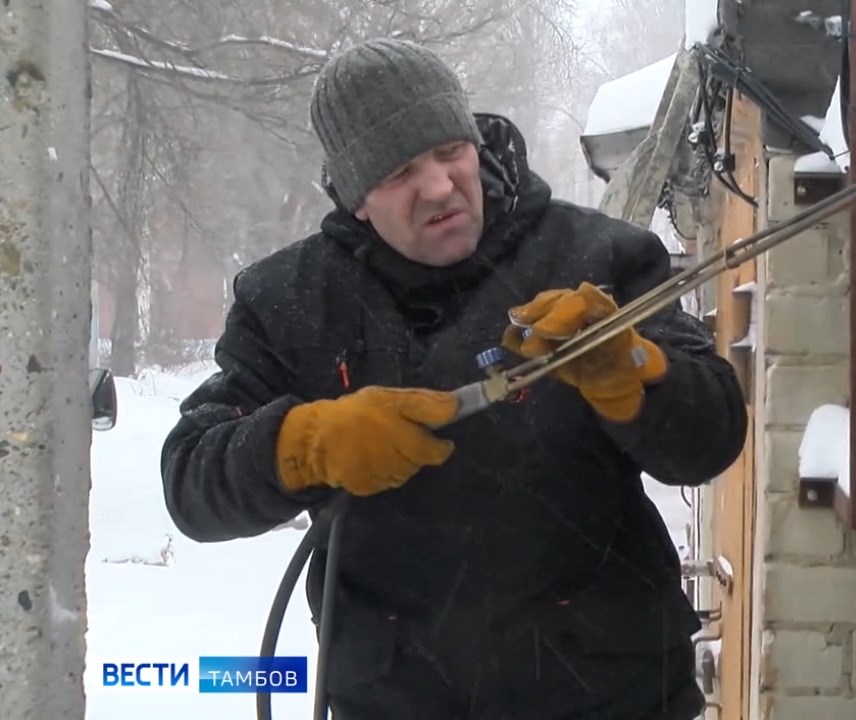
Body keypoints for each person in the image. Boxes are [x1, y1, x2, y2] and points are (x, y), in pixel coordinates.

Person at [159, 38, 748, 719]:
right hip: (395, 699)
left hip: (614, 691)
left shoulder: (598, 258)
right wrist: (303, 443)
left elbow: (711, 437)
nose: (439, 186)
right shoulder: (290, 302)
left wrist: (639, 373)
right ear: (355, 198)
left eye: (449, 152)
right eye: (399, 170)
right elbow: (191, 478)